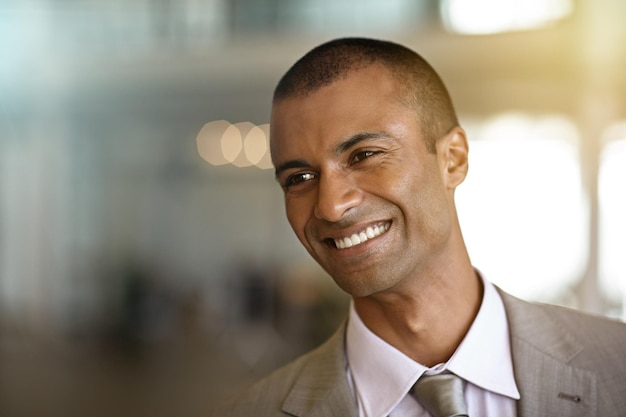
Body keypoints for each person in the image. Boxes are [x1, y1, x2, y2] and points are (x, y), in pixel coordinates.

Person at [213, 37, 626, 417]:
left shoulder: (616, 364)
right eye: (299, 179)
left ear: (454, 159)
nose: (332, 207)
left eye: (364, 155)